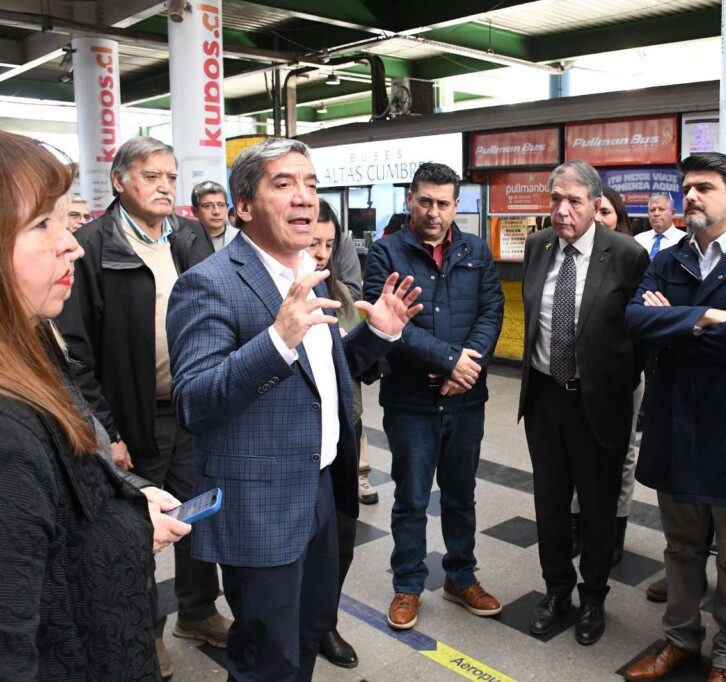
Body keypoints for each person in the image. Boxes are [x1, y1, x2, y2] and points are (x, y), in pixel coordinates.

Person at [166, 137, 423, 682]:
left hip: (323, 491)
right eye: (283, 184)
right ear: (243, 206)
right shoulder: (207, 285)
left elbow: (317, 380)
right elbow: (193, 402)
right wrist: (277, 340)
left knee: (307, 636)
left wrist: (377, 334)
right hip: (261, 504)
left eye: (310, 183)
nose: (305, 198)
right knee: (268, 659)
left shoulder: (308, 271)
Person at [0, 130, 193, 680]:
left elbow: (68, 503)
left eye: (65, 221)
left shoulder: (33, 350)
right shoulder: (8, 431)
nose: (71, 244)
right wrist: (111, 436)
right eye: (43, 224)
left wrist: (125, 501)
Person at [56, 135, 226, 679]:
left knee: (196, 514)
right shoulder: (93, 245)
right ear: (120, 181)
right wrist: (109, 433)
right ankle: (145, 631)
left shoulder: (192, 236)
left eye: (171, 177)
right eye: (152, 176)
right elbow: (76, 352)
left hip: (193, 406)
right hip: (133, 416)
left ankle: (197, 611)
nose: (165, 186)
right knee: (136, 531)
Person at [622, 152, 726, 682]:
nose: (691, 196)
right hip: (677, 423)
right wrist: (707, 316)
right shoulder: (670, 257)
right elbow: (633, 319)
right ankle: (680, 640)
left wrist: (672, 325)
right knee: (680, 547)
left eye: (704, 187)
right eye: (687, 187)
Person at [364, 162, 505, 631]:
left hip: (466, 400)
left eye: (444, 203)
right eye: (425, 200)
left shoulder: (475, 250)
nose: (434, 211)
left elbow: (491, 311)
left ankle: (460, 577)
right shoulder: (385, 254)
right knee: (410, 498)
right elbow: (388, 326)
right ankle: (407, 585)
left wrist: (469, 365)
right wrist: (450, 361)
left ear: (456, 205)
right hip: (410, 402)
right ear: (410, 199)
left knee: (462, 496)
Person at [519, 159, 648, 646]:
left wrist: (623, 384)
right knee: (550, 503)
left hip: (600, 400)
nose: (562, 209)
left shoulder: (626, 254)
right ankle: (557, 591)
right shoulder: (538, 247)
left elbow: (640, 334)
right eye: (555, 198)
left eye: (573, 200)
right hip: (545, 395)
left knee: (596, 507)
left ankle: (594, 597)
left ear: (597, 205)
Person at [306, 199, 369, 669]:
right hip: (296, 441)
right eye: (314, 242)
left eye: (330, 243)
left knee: (340, 540)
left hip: (343, 429)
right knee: (295, 546)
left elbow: (355, 364)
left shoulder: (339, 292)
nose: (322, 251)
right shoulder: (280, 293)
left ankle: (324, 623)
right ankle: (295, 625)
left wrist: (378, 333)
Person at [570, 185, 642, 565]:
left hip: (619, 377)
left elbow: (642, 329)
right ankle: (579, 523)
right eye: (595, 214)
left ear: (619, 219)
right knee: (578, 451)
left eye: (606, 214)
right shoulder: (569, 258)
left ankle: (615, 526)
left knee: (621, 453)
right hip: (579, 377)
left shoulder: (631, 259)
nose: (598, 222)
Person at [191, 180, 238, 251]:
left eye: (221, 205)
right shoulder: (186, 241)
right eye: (208, 206)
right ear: (195, 211)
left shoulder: (239, 238)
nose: (216, 212)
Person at [634, 192, 684, 257]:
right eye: (652, 210)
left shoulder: (684, 241)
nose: (656, 213)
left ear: (673, 213)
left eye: (661, 209)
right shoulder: (638, 240)